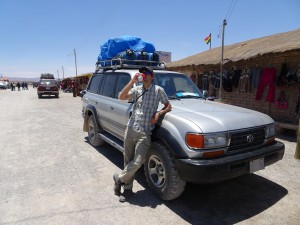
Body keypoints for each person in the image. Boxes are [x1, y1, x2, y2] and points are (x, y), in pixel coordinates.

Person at [113, 67, 172, 203]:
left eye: (146, 73)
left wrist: (158, 113)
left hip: (145, 132)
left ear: (152, 76)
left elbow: (168, 106)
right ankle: (127, 190)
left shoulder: (158, 91)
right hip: (131, 129)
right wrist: (132, 81)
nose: (143, 75)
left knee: (138, 161)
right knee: (128, 159)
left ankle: (119, 179)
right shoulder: (137, 89)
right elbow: (121, 97)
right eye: (141, 73)